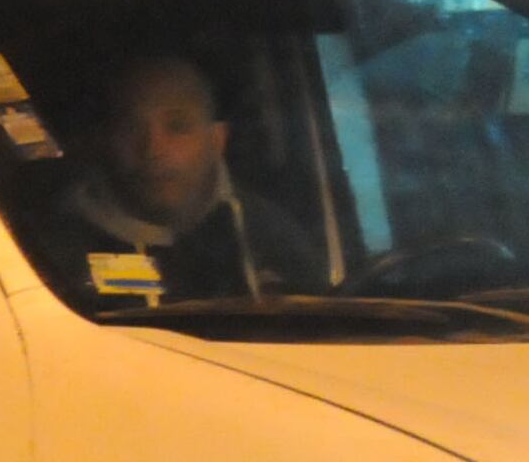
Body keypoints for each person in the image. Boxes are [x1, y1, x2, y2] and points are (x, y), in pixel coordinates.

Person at [43, 49, 325, 304]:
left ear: (217, 140)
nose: (153, 149)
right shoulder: (50, 253)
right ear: (104, 141)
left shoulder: (270, 238)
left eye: (177, 127)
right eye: (131, 129)